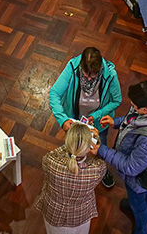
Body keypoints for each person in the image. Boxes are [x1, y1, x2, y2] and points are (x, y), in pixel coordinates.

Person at [97, 80, 147, 234]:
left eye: (134, 105)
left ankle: (142, 229)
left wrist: (101, 150)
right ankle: (141, 210)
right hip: (141, 175)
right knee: (142, 198)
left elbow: (129, 167)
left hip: (138, 179)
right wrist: (115, 122)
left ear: (144, 109)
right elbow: (132, 121)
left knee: (138, 205)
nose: (131, 105)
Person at [49, 47, 122, 188]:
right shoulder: (72, 67)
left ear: (100, 68)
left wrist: (96, 115)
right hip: (75, 120)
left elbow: (116, 100)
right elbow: (54, 94)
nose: (88, 79)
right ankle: (71, 167)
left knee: (100, 148)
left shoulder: (111, 75)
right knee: (74, 146)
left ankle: (103, 171)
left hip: (98, 124)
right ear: (81, 65)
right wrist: (63, 119)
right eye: (85, 74)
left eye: (92, 76)